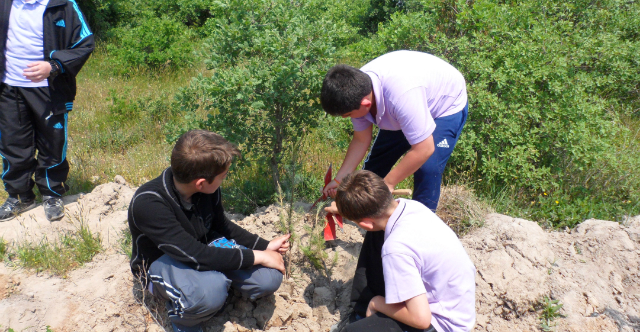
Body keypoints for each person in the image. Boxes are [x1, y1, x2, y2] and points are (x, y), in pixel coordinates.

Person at [320, 50, 469, 318]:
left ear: (365, 102)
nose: (347, 119)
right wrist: (342, 178)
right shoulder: (355, 90)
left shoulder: (402, 96)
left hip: (443, 105)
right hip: (399, 105)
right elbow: (360, 140)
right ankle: (378, 226)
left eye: (347, 115)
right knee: (372, 170)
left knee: (428, 168)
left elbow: (423, 148)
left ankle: (416, 238)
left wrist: (388, 184)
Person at [128, 130, 290, 332]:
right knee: (210, 291)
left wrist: (264, 245)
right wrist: (258, 256)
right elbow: (194, 254)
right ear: (201, 183)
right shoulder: (149, 203)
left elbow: (221, 225)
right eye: (223, 176)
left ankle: (212, 288)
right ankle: (184, 319)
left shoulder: (206, 189)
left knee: (267, 279)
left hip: (201, 248)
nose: (224, 179)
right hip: (163, 260)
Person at [327, 170, 476, 332]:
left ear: (366, 224)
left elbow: (421, 320)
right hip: (456, 304)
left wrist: (377, 302)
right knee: (377, 234)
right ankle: (361, 313)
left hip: (443, 324)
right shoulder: (410, 206)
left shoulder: (396, 249)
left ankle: (365, 313)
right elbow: (376, 224)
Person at [0, 0, 94, 222]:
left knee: (52, 144)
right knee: (12, 144)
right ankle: (19, 196)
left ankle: (51, 193)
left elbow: (85, 43)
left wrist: (53, 66)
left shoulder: (64, 3)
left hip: (49, 91)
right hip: (9, 88)